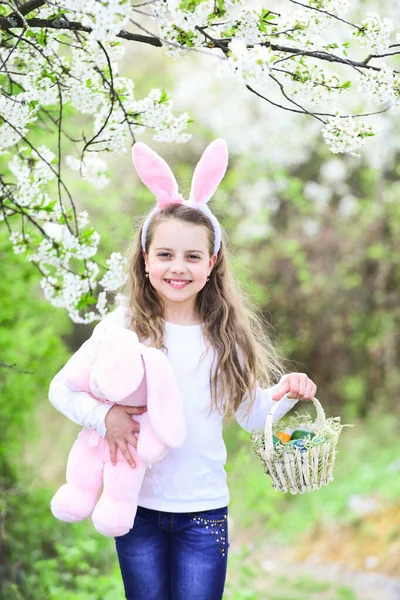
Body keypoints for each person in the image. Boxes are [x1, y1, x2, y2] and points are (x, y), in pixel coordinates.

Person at [49, 139, 317, 600]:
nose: (179, 267)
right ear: (146, 260)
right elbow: (62, 390)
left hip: (204, 510)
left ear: (211, 265)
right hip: (138, 506)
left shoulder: (224, 336)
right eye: (165, 254)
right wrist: (105, 417)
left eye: (193, 257)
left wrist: (286, 392)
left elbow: (251, 415)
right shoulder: (122, 328)